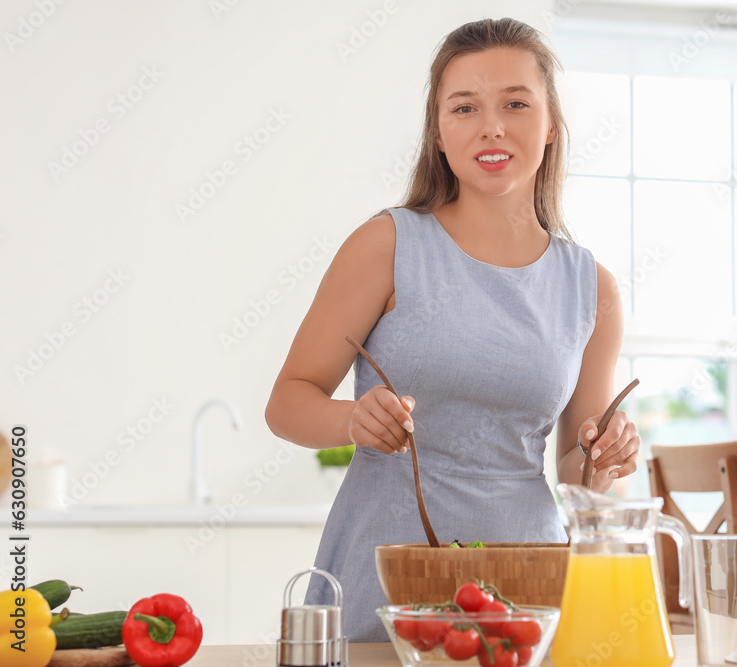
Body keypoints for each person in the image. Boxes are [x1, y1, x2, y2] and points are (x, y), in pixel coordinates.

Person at [265, 16, 640, 642]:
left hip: (527, 592)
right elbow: (286, 402)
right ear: (439, 134)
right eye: (464, 107)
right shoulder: (385, 245)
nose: (492, 125)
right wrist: (351, 420)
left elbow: (578, 469)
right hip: (383, 580)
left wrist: (606, 458)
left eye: (515, 103)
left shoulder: (591, 286)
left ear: (550, 126)